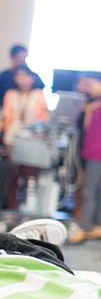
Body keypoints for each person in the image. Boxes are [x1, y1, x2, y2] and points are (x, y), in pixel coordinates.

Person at [68, 73, 101, 243]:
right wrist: (88, 109)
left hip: (98, 153)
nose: (90, 88)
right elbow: (87, 127)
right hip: (91, 152)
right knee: (95, 191)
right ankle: (98, 227)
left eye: (92, 84)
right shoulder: (97, 104)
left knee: (88, 191)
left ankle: (84, 228)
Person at [2, 64, 49, 210]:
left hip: (32, 140)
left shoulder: (38, 95)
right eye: (19, 76)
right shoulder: (10, 94)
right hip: (13, 138)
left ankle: (27, 207)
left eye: (25, 76)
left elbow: (45, 117)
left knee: (30, 175)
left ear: (32, 78)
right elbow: (5, 116)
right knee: (13, 175)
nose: (22, 80)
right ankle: (10, 208)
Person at [0, 44, 44, 108]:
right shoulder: (3, 77)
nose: (22, 62)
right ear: (12, 58)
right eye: (19, 59)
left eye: (24, 59)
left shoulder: (34, 76)